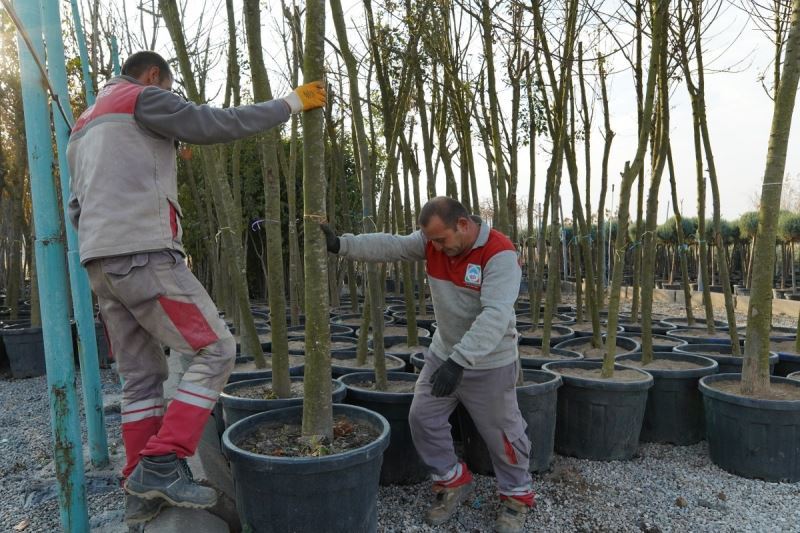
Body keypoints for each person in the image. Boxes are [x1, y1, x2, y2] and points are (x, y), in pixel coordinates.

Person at [66, 50, 325, 525]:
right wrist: (290, 103)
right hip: (143, 255)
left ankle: (138, 485)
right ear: (152, 75)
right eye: (168, 88)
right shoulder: (142, 97)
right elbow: (214, 123)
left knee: (141, 378)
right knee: (217, 350)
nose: (169, 99)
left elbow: (78, 204)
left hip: (100, 264)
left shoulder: (84, 125)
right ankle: (164, 460)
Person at [321, 197, 534, 533]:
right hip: (444, 352)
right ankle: (452, 480)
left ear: (463, 225)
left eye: (441, 239)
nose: (434, 247)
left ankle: (516, 495)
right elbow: (391, 245)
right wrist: (341, 244)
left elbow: (495, 316)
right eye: (430, 240)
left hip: (489, 360)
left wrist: (460, 362)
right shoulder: (432, 241)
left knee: (503, 433)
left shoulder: (499, 253)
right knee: (423, 417)